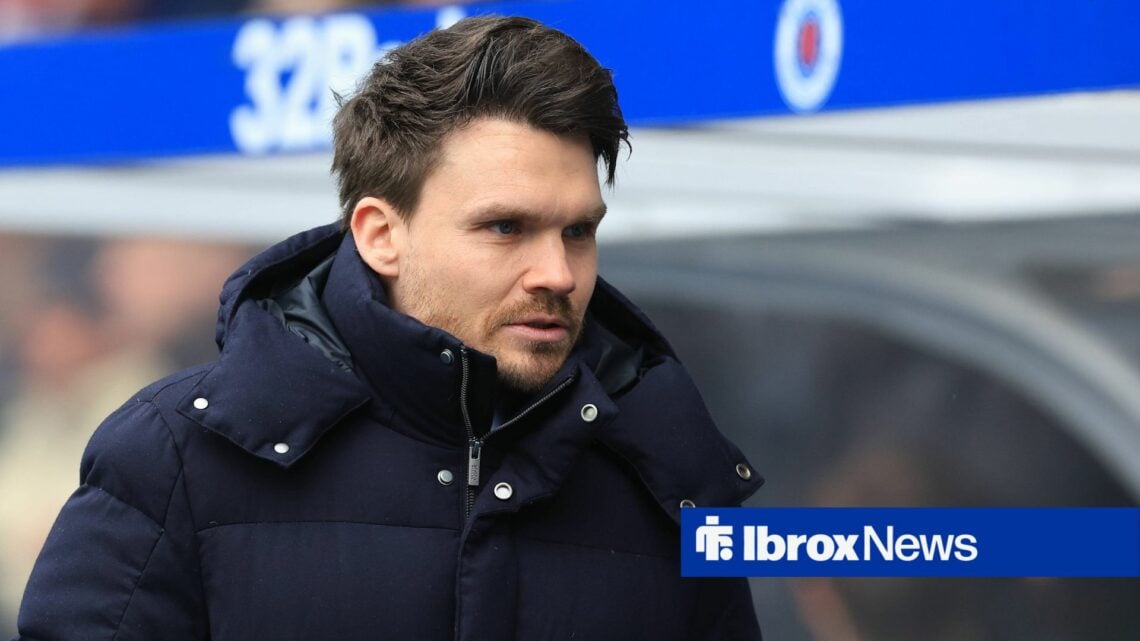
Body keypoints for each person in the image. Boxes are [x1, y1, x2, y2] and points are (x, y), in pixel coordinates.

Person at [12, 16, 763, 640]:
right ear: (379, 233)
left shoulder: (669, 475)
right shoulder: (176, 456)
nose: (558, 274)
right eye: (505, 227)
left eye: (577, 232)